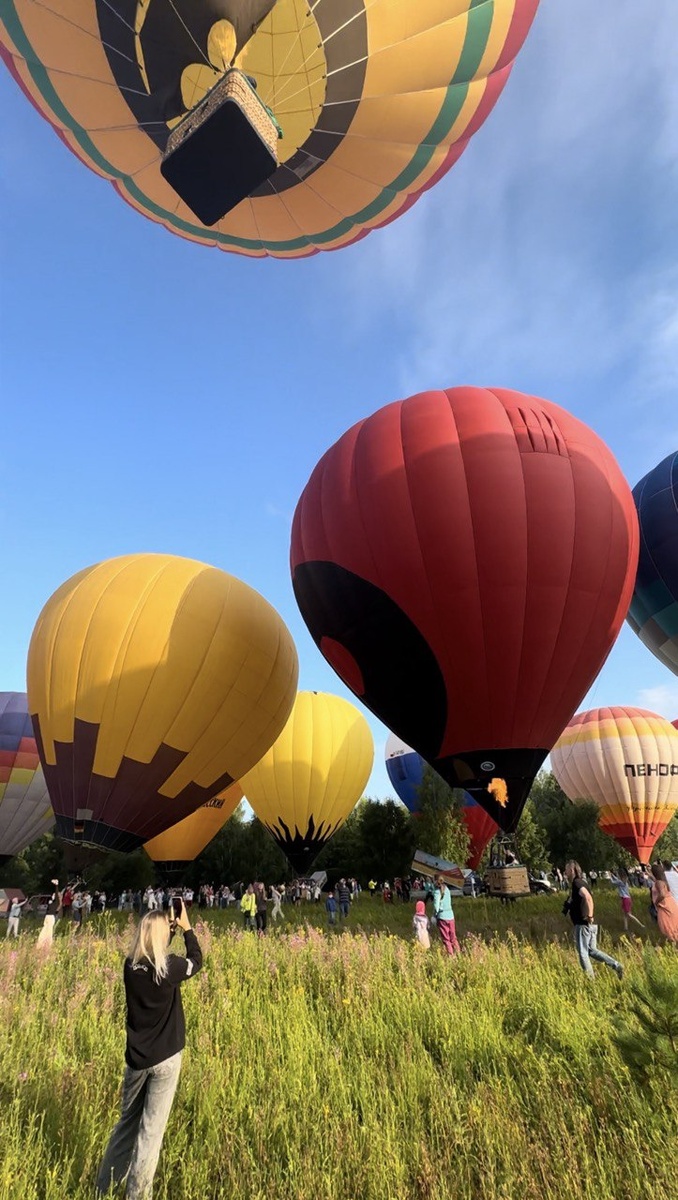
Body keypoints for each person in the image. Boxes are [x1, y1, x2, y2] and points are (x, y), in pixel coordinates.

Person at [96, 898, 201, 1199]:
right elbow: (197, 958)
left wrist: (164, 927)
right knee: (150, 1134)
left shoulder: (130, 967)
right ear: (162, 935)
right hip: (166, 1058)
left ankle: (102, 1189)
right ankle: (137, 1195)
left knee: (125, 1126)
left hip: (137, 1061)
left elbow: (152, 950)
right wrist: (186, 927)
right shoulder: (170, 968)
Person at [563, 861, 623, 979]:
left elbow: (588, 898)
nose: (565, 872)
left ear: (571, 870)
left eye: (566, 869)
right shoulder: (581, 882)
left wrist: (589, 916)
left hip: (583, 923)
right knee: (592, 951)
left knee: (583, 953)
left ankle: (591, 981)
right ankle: (617, 965)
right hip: (589, 924)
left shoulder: (577, 883)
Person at [649, 864, 678, 943]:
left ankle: (673, 944)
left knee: (666, 926)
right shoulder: (663, 881)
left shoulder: (658, 882)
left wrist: (656, 902)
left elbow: (662, 894)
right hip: (671, 904)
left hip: (664, 906)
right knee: (673, 926)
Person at [433, 876, 460, 956]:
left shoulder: (437, 892)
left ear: (435, 881)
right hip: (451, 916)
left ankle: (451, 957)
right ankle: (459, 954)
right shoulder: (447, 889)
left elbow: (436, 906)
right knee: (453, 937)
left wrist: (434, 915)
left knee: (446, 939)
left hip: (442, 917)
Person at [36, 879, 61, 949]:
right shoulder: (51, 901)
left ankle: (48, 944)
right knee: (44, 929)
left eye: (54, 894)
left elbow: (56, 893)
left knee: (49, 930)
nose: (53, 895)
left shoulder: (56, 902)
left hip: (50, 917)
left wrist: (56, 885)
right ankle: (41, 943)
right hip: (47, 917)